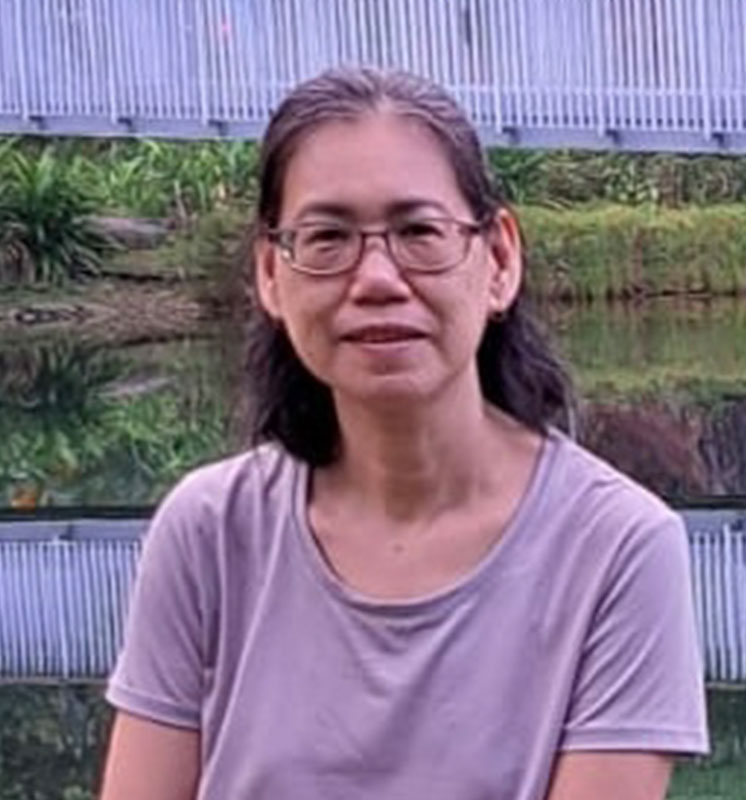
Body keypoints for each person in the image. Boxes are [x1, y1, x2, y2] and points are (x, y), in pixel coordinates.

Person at [100, 67, 708, 800]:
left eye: (419, 232)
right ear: (270, 274)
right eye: (327, 238)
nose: (377, 279)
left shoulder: (618, 549)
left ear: (499, 259)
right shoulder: (208, 532)